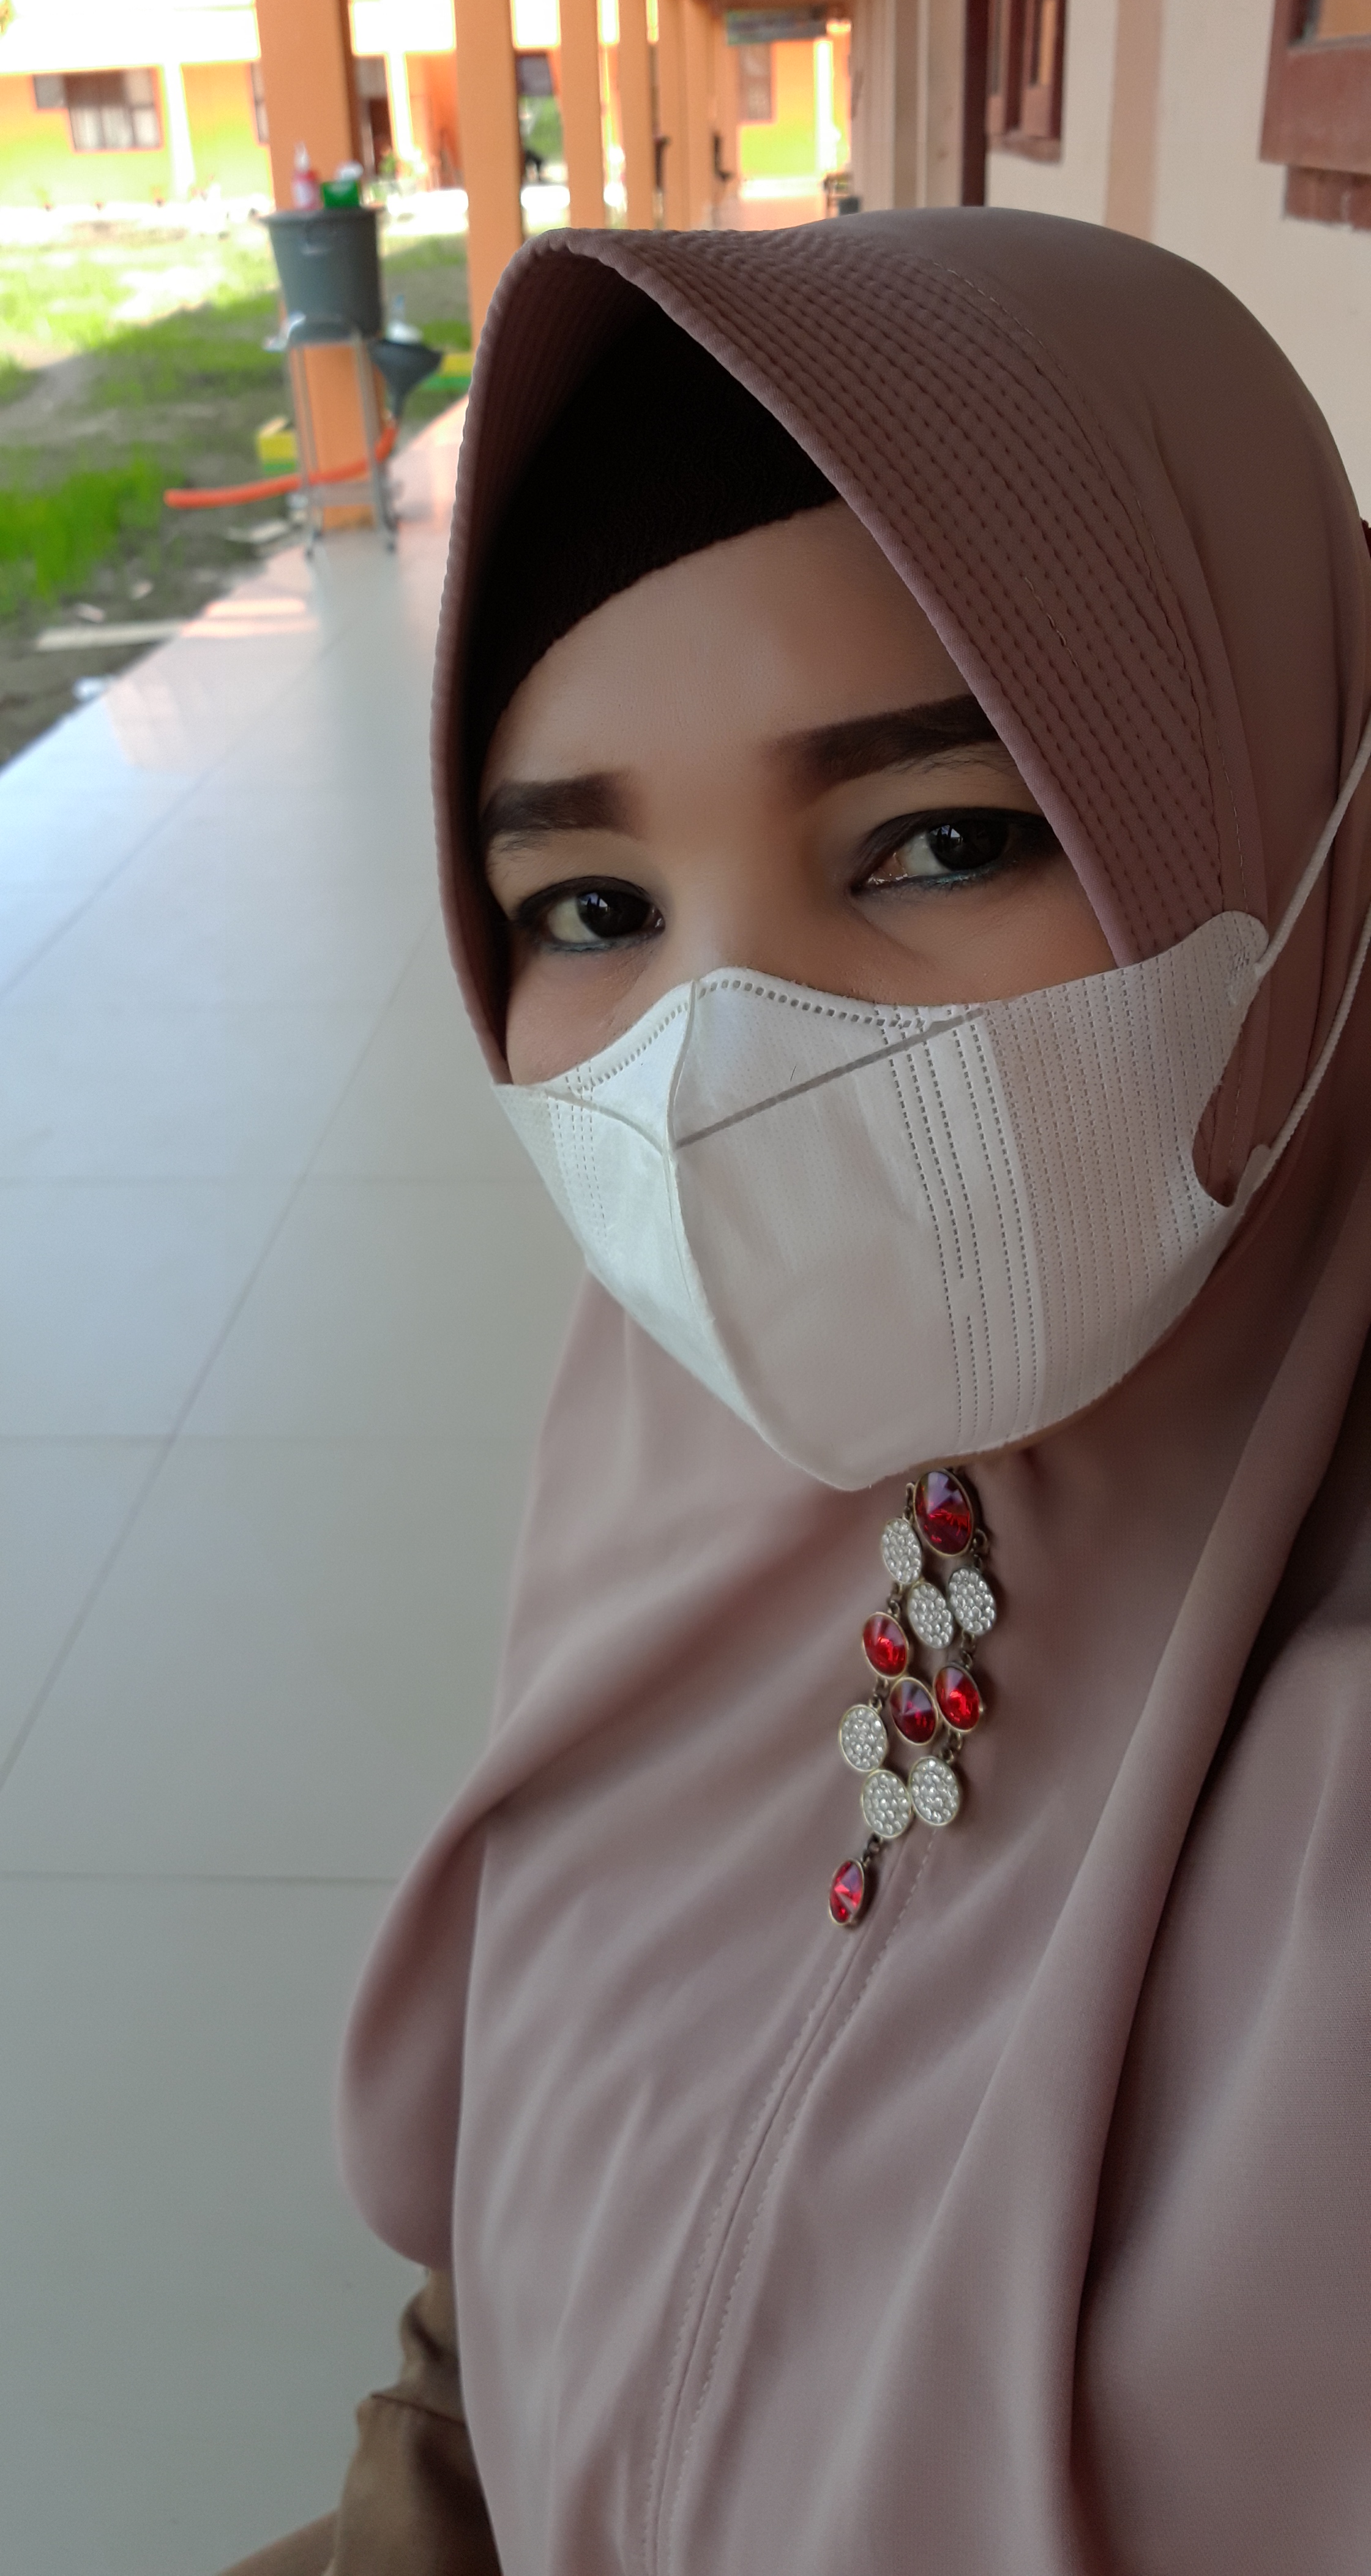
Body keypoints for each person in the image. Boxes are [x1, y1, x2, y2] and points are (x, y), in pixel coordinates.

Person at [227, 209, 1371, 2576]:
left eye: (939, 842)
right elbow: (500, 2329)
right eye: (593, 909)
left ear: (1307, 812)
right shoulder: (660, 1467)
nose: (721, 1065)